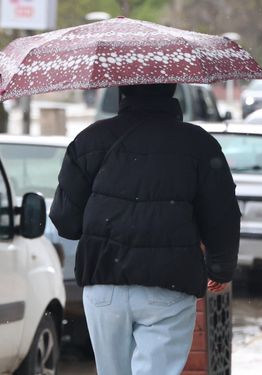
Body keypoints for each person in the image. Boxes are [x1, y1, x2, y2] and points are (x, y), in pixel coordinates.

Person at [49, 83, 240, 375]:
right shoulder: (198, 144)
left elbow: (66, 222)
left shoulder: (89, 140)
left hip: (104, 282)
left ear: (122, 91)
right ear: (172, 89)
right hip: (169, 283)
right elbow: (222, 213)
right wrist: (220, 268)